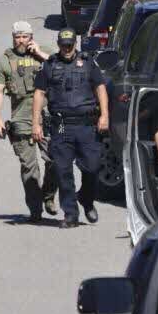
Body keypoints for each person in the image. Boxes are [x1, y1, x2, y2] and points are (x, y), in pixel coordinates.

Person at [31, 29, 109, 228]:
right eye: (63, 45)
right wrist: (36, 123)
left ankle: (86, 198)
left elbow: (100, 87)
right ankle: (71, 214)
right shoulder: (49, 65)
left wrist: (104, 115)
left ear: (75, 44)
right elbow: (39, 94)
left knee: (92, 167)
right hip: (62, 125)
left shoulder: (88, 62)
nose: (66, 48)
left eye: (70, 45)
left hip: (86, 124)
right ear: (58, 44)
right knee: (62, 170)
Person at [0, 21, 59, 223]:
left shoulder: (47, 53)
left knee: (55, 160)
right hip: (21, 118)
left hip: (47, 115)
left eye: (24, 36)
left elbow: (65, 68)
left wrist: (41, 55)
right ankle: (35, 208)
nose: (21, 40)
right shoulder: (5, 60)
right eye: (17, 37)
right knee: (29, 167)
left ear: (31, 36)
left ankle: (48, 195)